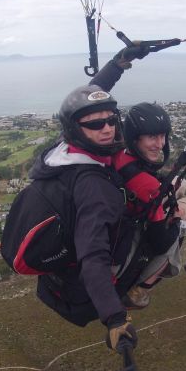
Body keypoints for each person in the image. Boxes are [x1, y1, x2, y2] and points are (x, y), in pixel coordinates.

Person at [30, 84, 141, 352]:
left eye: (112, 120)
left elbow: (84, 103)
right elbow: (93, 255)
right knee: (156, 225)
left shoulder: (62, 153)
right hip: (81, 291)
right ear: (76, 129)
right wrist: (115, 318)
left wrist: (118, 66)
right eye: (96, 125)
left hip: (56, 278)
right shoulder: (94, 187)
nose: (107, 129)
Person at [113, 102, 186, 306]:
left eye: (162, 136)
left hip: (134, 200)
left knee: (183, 183)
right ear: (135, 138)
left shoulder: (119, 154)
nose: (160, 144)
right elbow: (160, 242)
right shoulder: (149, 186)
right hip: (146, 212)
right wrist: (176, 219)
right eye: (152, 137)